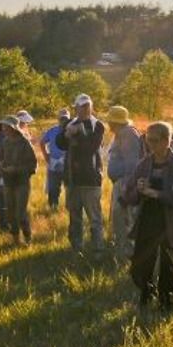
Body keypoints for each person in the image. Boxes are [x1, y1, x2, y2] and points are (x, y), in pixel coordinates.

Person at [125, 122, 173, 312]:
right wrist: (138, 190)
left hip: (171, 221)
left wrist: (156, 193)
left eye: (154, 140)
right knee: (139, 265)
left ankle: (166, 304)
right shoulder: (144, 163)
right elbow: (129, 196)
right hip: (147, 218)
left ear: (167, 140)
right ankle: (147, 293)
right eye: (148, 140)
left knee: (168, 264)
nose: (150, 145)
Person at [56, 94, 106, 253]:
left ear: (91, 106)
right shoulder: (70, 123)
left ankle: (98, 249)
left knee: (94, 218)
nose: (85, 109)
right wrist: (66, 134)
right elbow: (59, 144)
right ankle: (76, 247)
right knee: (75, 217)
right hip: (72, 179)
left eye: (87, 105)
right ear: (75, 108)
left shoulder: (98, 125)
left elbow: (90, 149)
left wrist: (81, 132)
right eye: (82, 106)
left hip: (91, 179)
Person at [107, 105, 143, 260]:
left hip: (125, 183)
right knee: (119, 218)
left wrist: (126, 189)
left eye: (110, 121)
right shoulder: (122, 133)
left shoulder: (128, 134)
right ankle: (123, 252)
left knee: (123, 218)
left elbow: (132, 164)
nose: (108, 125)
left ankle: (127, 255)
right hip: (121, 182)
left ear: (115, 122)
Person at [0, 116, 37, 245]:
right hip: (8, 181)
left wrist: (16, 169)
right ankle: (16, 241)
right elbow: (1, 159)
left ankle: (28, 238)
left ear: (13, 128)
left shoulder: (24, 143)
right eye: (3, 126)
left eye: (6, 127)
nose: (4, 129)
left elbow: (33, 164)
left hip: (21, 182)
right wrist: (1, 166)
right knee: (10, 212)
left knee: (20, 212)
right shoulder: (5, 142)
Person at [40, 109, 70, 209]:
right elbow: (42, 142)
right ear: (58, 119)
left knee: (69, 188)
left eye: (66, 119)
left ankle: (69, 209)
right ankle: (53, 207)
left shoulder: (72, 130)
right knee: (53, 187)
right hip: (53, 163)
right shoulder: (52, 131)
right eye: (62, 119)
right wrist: (46, 155)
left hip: (67, 164)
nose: (63, 121)